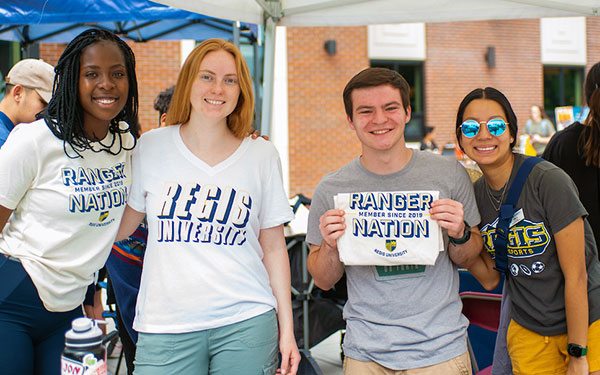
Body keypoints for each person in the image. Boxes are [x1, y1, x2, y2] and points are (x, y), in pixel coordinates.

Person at [115, 38, 300, 375]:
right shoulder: (151, 146)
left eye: (230, 80)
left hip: (246, 322)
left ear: (241, 90)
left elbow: (274, 248)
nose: (218, 88)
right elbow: (120, 226)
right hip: (165, 324)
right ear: (188, 82)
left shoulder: (261, 155)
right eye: (207, 76)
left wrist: (287, 331)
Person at [306, 67, 483, 374]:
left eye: (390, 108)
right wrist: (331, 246)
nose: (379, 119)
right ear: (350, 120)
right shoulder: (332, 188)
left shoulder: (448, 174)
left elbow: (469, 254)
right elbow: (322, 279)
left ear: (407, 113)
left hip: (439, 350)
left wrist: (460, 232)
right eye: (366, 111)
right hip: (365, 353)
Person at [0, 28, 139, 375]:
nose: (106, 83)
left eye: (117, 73)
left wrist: (239, 138)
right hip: (11, 301)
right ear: (69, 82)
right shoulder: (34, 140)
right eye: (91, 74)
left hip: (69, 312)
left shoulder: (126, 144)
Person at [455, 87, 600, 375]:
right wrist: (459, 237)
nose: (483, 135)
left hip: (587, 323)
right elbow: (490, 278)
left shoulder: (548, 181)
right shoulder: (476, 196)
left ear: (512, 133)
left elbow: (577, 275)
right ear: (460, 138)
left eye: (495, 125)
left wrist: (578, 353)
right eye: (471, 127)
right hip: (529, 330)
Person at [543, 62, 600, 251]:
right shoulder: (566, 142)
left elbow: (541, 205)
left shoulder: (563, 143)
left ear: (587, 93)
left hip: (578, 261)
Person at [0, 58, 55, 147]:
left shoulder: (12, 135)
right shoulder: (4, 141)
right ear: (18, 93)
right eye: (43, 103)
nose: (47, 112)